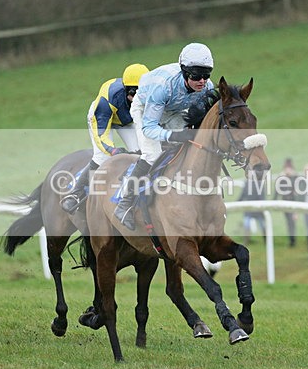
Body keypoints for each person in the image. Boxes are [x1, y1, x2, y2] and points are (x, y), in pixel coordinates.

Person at [113, 42, 215, 230]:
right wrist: (173, 136)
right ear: (185, 73)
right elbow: (149, 128)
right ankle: (124, 203)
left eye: (206, 75)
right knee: (152, 155)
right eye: (196, 76)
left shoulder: (207, 86)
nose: (202, 81)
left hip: (172, 109)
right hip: (145, 109)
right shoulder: (164, 87)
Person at [61, 63, 149, 213]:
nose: (137, 98)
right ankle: (75, 193)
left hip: (127, 120)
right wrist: (113, 151)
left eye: (142, 93)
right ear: (126, 89)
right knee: (102, 156)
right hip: (102, 119)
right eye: (133, 93)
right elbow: (101, 136)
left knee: (140, 152)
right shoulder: (109, 99)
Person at [274, 157, 301, 247]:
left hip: (293, 204)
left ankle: (293, 240)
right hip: (285, 204)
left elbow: (297, 193)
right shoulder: (282, 178)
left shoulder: (295, 178)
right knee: (289, 222)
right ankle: (291, 239)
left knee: (292, 222)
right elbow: (277, 191)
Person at [239, 169, 267, 245]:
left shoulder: (259, 184)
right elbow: (242, 196)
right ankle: (246, 242)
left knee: (263, 226)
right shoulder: (246, 183)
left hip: (258, 210)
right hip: (249, 210)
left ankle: (266, 241)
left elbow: (262, 198)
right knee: (246, 225)